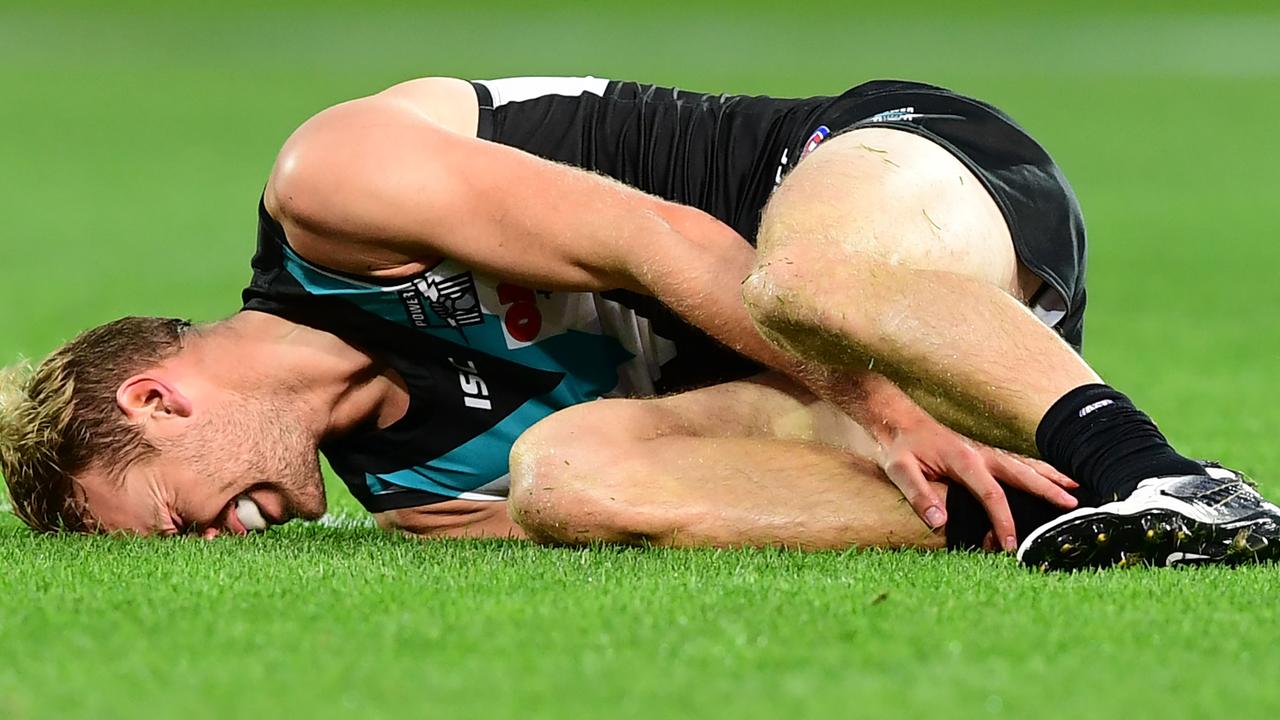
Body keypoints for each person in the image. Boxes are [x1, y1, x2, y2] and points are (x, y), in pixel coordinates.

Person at [1, 76, 1274, 570]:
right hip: (894, 362)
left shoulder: (330, 193)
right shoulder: (410, 493)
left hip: (883, 184)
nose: (222, 543)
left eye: (178, 517)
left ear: (157, 399)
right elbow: (703, 468)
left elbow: (670, 243)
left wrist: (884, 408)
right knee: (567, 476)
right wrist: (889, 423)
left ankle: (1160, 473)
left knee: (791, 283)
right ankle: (1054, 515)